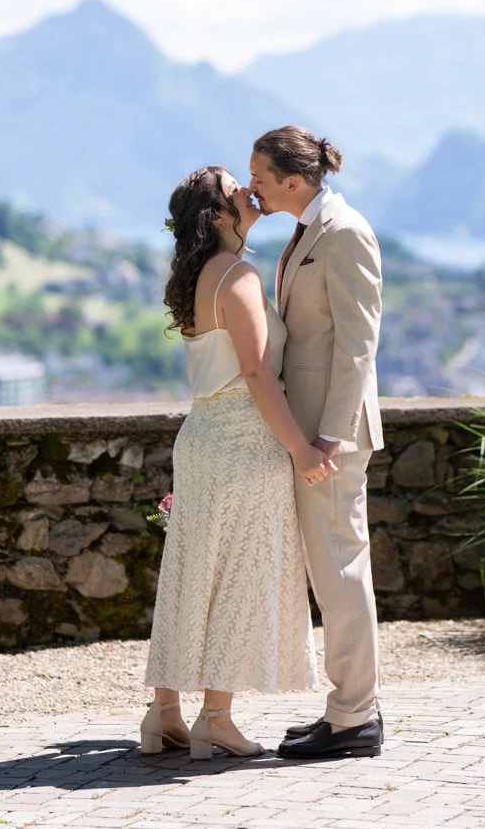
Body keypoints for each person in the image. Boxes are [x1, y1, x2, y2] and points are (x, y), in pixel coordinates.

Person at [141, 166, 334, 760]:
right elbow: (255, 375)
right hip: (244, 445)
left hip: (202, 437)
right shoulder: (239, 275)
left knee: (191, 576)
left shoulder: (202, 275)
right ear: (219, 213)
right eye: (234, 187)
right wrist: (301, 447)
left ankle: (163, 713)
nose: (247, 192)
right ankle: (216, 719)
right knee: (237, 578)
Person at [248, 126, 385, 761]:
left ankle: (355, 717)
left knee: (340, 569)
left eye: (261, 177)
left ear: (295, 181)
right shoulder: (308, 230)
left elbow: (358, 346)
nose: (253, 187)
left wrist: (327, 435)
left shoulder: (345, 232)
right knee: (331, 572)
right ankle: (346, 710)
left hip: (331, 436)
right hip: (310, 430)